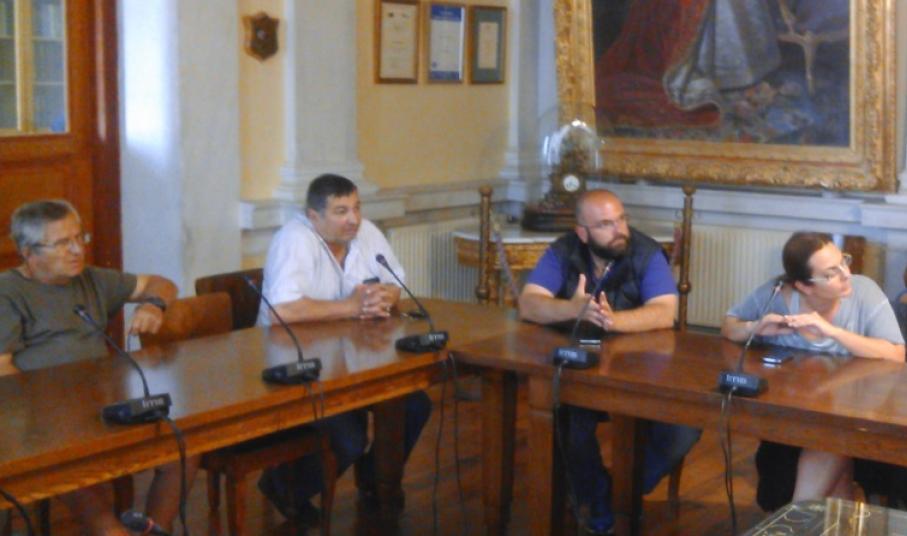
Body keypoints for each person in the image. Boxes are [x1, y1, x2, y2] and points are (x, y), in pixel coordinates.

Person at [0, 199, 198, 536]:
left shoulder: (91, 279)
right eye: (63, 243)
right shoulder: (8, 292)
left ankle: (154, 529)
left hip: (102, 406)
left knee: (184, 447)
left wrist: (154, 305)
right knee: (86, 484)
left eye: (80, 238)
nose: (78, 250)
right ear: (28, 252)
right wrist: (44, 413)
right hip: (42, 421)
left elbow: (161, 283)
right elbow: (3, 372)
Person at [519, 189, 701, 535]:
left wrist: (612, 320)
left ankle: (618, 496)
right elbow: (529, 304)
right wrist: (572, 308)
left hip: (645, 370)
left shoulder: (646, 252)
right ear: (582, 232)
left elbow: (664, 312)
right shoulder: (563, 251)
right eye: (605, 224)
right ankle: (601, 497)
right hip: (583, 371)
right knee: (567, 424)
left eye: (621, 219)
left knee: (683, 429)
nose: (619, 230)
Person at [257, 173, 431, 522]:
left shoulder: (366, 233)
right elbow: (281, 311)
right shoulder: (294, 240)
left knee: (415, 404)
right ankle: (283, 488)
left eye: (356, 208)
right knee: (349, 437)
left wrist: (384, 296)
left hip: (353, 358)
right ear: (314, 216)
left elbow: (395, 282)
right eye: (341, 211)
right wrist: (351, 306)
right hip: (293, 365)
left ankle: (374, 477)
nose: (353, 219)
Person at [722, 231, 904, 507]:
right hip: (797, 418)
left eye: (843, 262)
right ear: (804, 286)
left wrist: (833, 332)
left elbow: (896, 353)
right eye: (831, 273)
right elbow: (729, 325)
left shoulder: (864, 291)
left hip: (859, 417)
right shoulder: (777, 294)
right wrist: (754, 327)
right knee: (824, 451)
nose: (846, 274)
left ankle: (797, 520)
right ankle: (820, 520)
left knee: (833, 437)